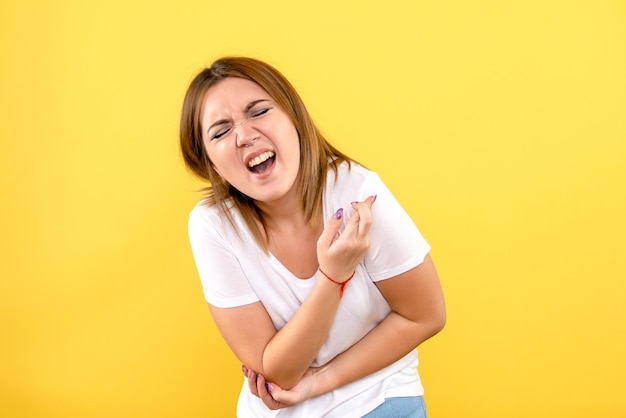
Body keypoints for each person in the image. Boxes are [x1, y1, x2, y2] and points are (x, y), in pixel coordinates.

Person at [180, 56, 446, 417]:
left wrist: (319, 382)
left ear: (294, 119)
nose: (244, 136)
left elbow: (424, 316)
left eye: (258, 112)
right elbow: (278, 371)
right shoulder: (212, 226)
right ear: (212, 164)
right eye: (221, 131)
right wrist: (333, 277)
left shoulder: (357, 192)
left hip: (378, 397)